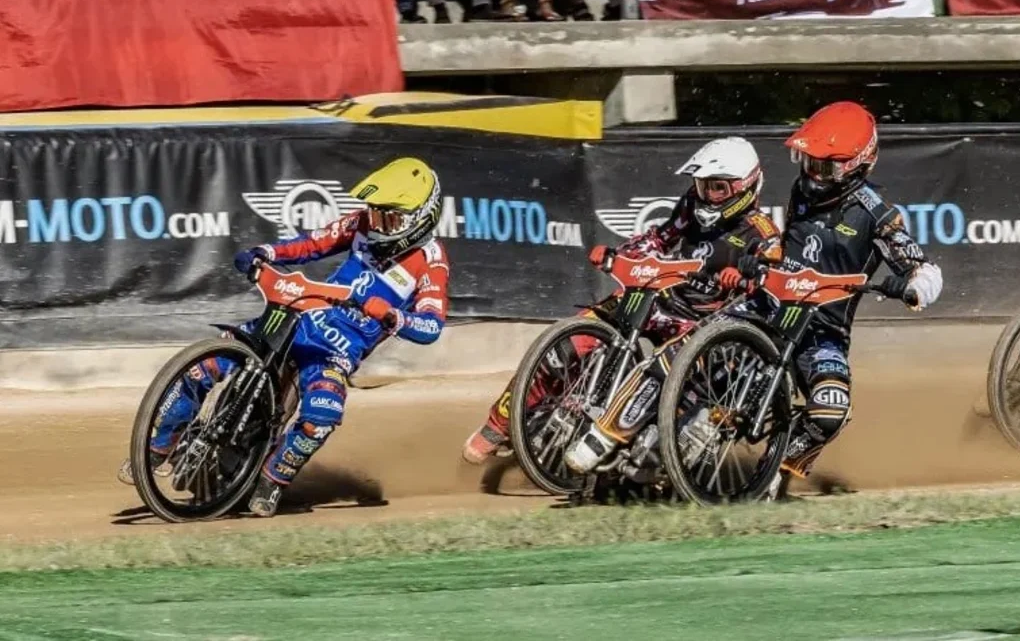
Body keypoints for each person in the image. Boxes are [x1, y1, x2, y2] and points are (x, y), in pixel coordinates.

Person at [118, 158, 450, 517]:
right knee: (203, 366)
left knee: (322, 416)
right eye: (376, 211)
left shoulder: (431, 261)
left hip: (333, 352)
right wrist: (267, 253)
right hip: (297, 314)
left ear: (421, 218)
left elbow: (431, 326)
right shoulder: (363, 223)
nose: (378, 222)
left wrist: (390, 315)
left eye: (391, 216)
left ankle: (271, 480)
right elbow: (312, 244)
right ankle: (157, 448)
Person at [461, 137, 781, 466]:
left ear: (745, 187)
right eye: (701, 186)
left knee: (667, 385)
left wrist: (748, 278)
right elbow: (663, 237)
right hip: (661, 297)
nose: (706, 196)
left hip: (700, 325)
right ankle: (498, 425)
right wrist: (629, 252)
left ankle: (636, 450)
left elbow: (769, 286)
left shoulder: (762, 233)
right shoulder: (691, 204)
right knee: (568, 343)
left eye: (717, 188)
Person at [735, 101, 943, 498]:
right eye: (808, 162)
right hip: (770, 306)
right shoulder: (802, 189)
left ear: (857, 165)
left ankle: (778, 468)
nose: (813, 175)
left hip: (821, 333)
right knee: (701, 333)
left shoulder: (877, 215)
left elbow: (925, 269)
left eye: (824, 167)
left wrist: (915, 286)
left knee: (830, 409)